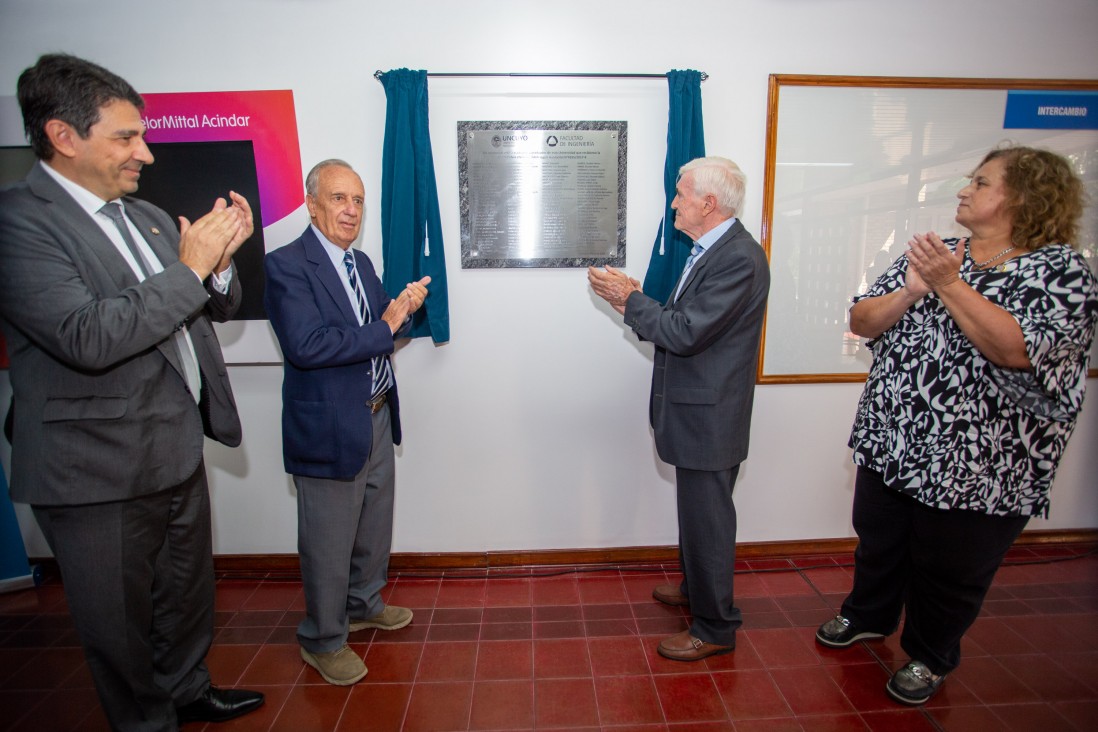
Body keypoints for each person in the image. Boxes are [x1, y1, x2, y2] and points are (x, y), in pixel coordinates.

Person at [0, 54, 264, 730]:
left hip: (172, 447)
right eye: (125, 137)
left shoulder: (143, 216)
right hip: (94, 469)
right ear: (63, 135)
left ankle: (186, 690)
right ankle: (146, 721)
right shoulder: (19, 223)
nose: (144, 152)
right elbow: (87, 336)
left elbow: (206, 305)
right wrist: (193, 268)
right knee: (118, 624)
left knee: (185, 595)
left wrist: (218, 268)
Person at [815, 145, 1098, 705]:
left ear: (1023, 197)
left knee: (950, 568)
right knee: (879, 541)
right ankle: (867, 615)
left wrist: (950, 284)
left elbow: (1016, 349)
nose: (964, 190)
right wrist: (912, 290)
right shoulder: (934, 252)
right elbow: (861, 318)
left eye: (982, 182)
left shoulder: (1062, 272)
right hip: (895, 440)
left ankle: (930, 653)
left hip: (983, 463)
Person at [588, 156, 770, 661]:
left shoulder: (738, 257)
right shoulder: (711, 250)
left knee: (709, 521)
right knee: (697, 515)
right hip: (698, 411)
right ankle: (696, 592)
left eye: (681, 193)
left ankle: (715, 626)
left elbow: (685, 333)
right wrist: (631, 301)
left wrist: (631, 299)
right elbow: (683, 322)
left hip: (709, 417)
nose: (674, 202)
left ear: (708, 203)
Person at [263, 159, 430, 686]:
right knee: (328, 540)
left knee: (373, 526)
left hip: (377, 414)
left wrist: (404, 309)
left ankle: (363, 605)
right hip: (328, 426)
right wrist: (387, 324)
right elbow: (308, 347)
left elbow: (384, 329)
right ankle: (323, 638)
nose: (351, 210)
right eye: (339, 199)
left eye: (357, 201)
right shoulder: (286, 265)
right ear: (312, 205)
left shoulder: (361, 263)